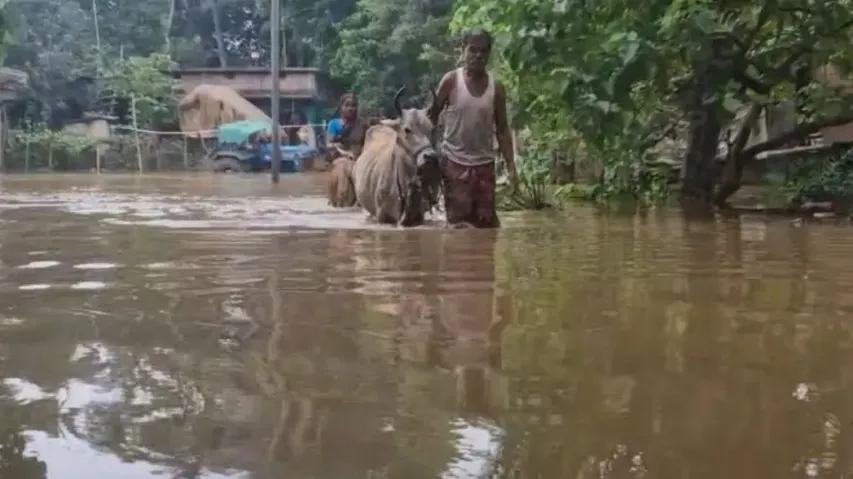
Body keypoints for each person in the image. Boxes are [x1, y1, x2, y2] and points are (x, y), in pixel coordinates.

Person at [427, 28, 520, 229]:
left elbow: (502, 129)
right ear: (463, 49)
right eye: (473, 50)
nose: (478, 56)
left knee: (486, 228)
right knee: (458, 227)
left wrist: (511, 167)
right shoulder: (451, 81)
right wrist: (426, 156)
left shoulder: (497, 88)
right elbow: (430, 120)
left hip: (485, 166)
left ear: (489, 53)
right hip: (454, 164)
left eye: (483, 51)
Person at [326, 93, 369, 159]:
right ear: (341, 107)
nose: (350, 108)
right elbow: (328, 144)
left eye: (353, 105)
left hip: (360, 157)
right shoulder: (333, 123)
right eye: (347, 105)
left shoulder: (362, 124)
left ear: (356, 107)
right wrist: (337, 146)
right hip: (340, 157)